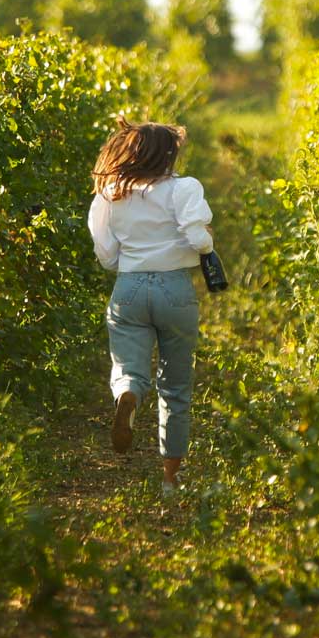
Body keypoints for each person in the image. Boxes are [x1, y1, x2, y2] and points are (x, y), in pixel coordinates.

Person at [87, 121, 214, 498]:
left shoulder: (111, 192)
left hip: (128, 288)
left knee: (128, 367)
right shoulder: (184, 188)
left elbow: (106, 255)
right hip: (174, 288)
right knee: (175, 386)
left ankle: (128, 393)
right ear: (167, 154)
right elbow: (197, 238)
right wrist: (206, 245)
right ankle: (170, 481)